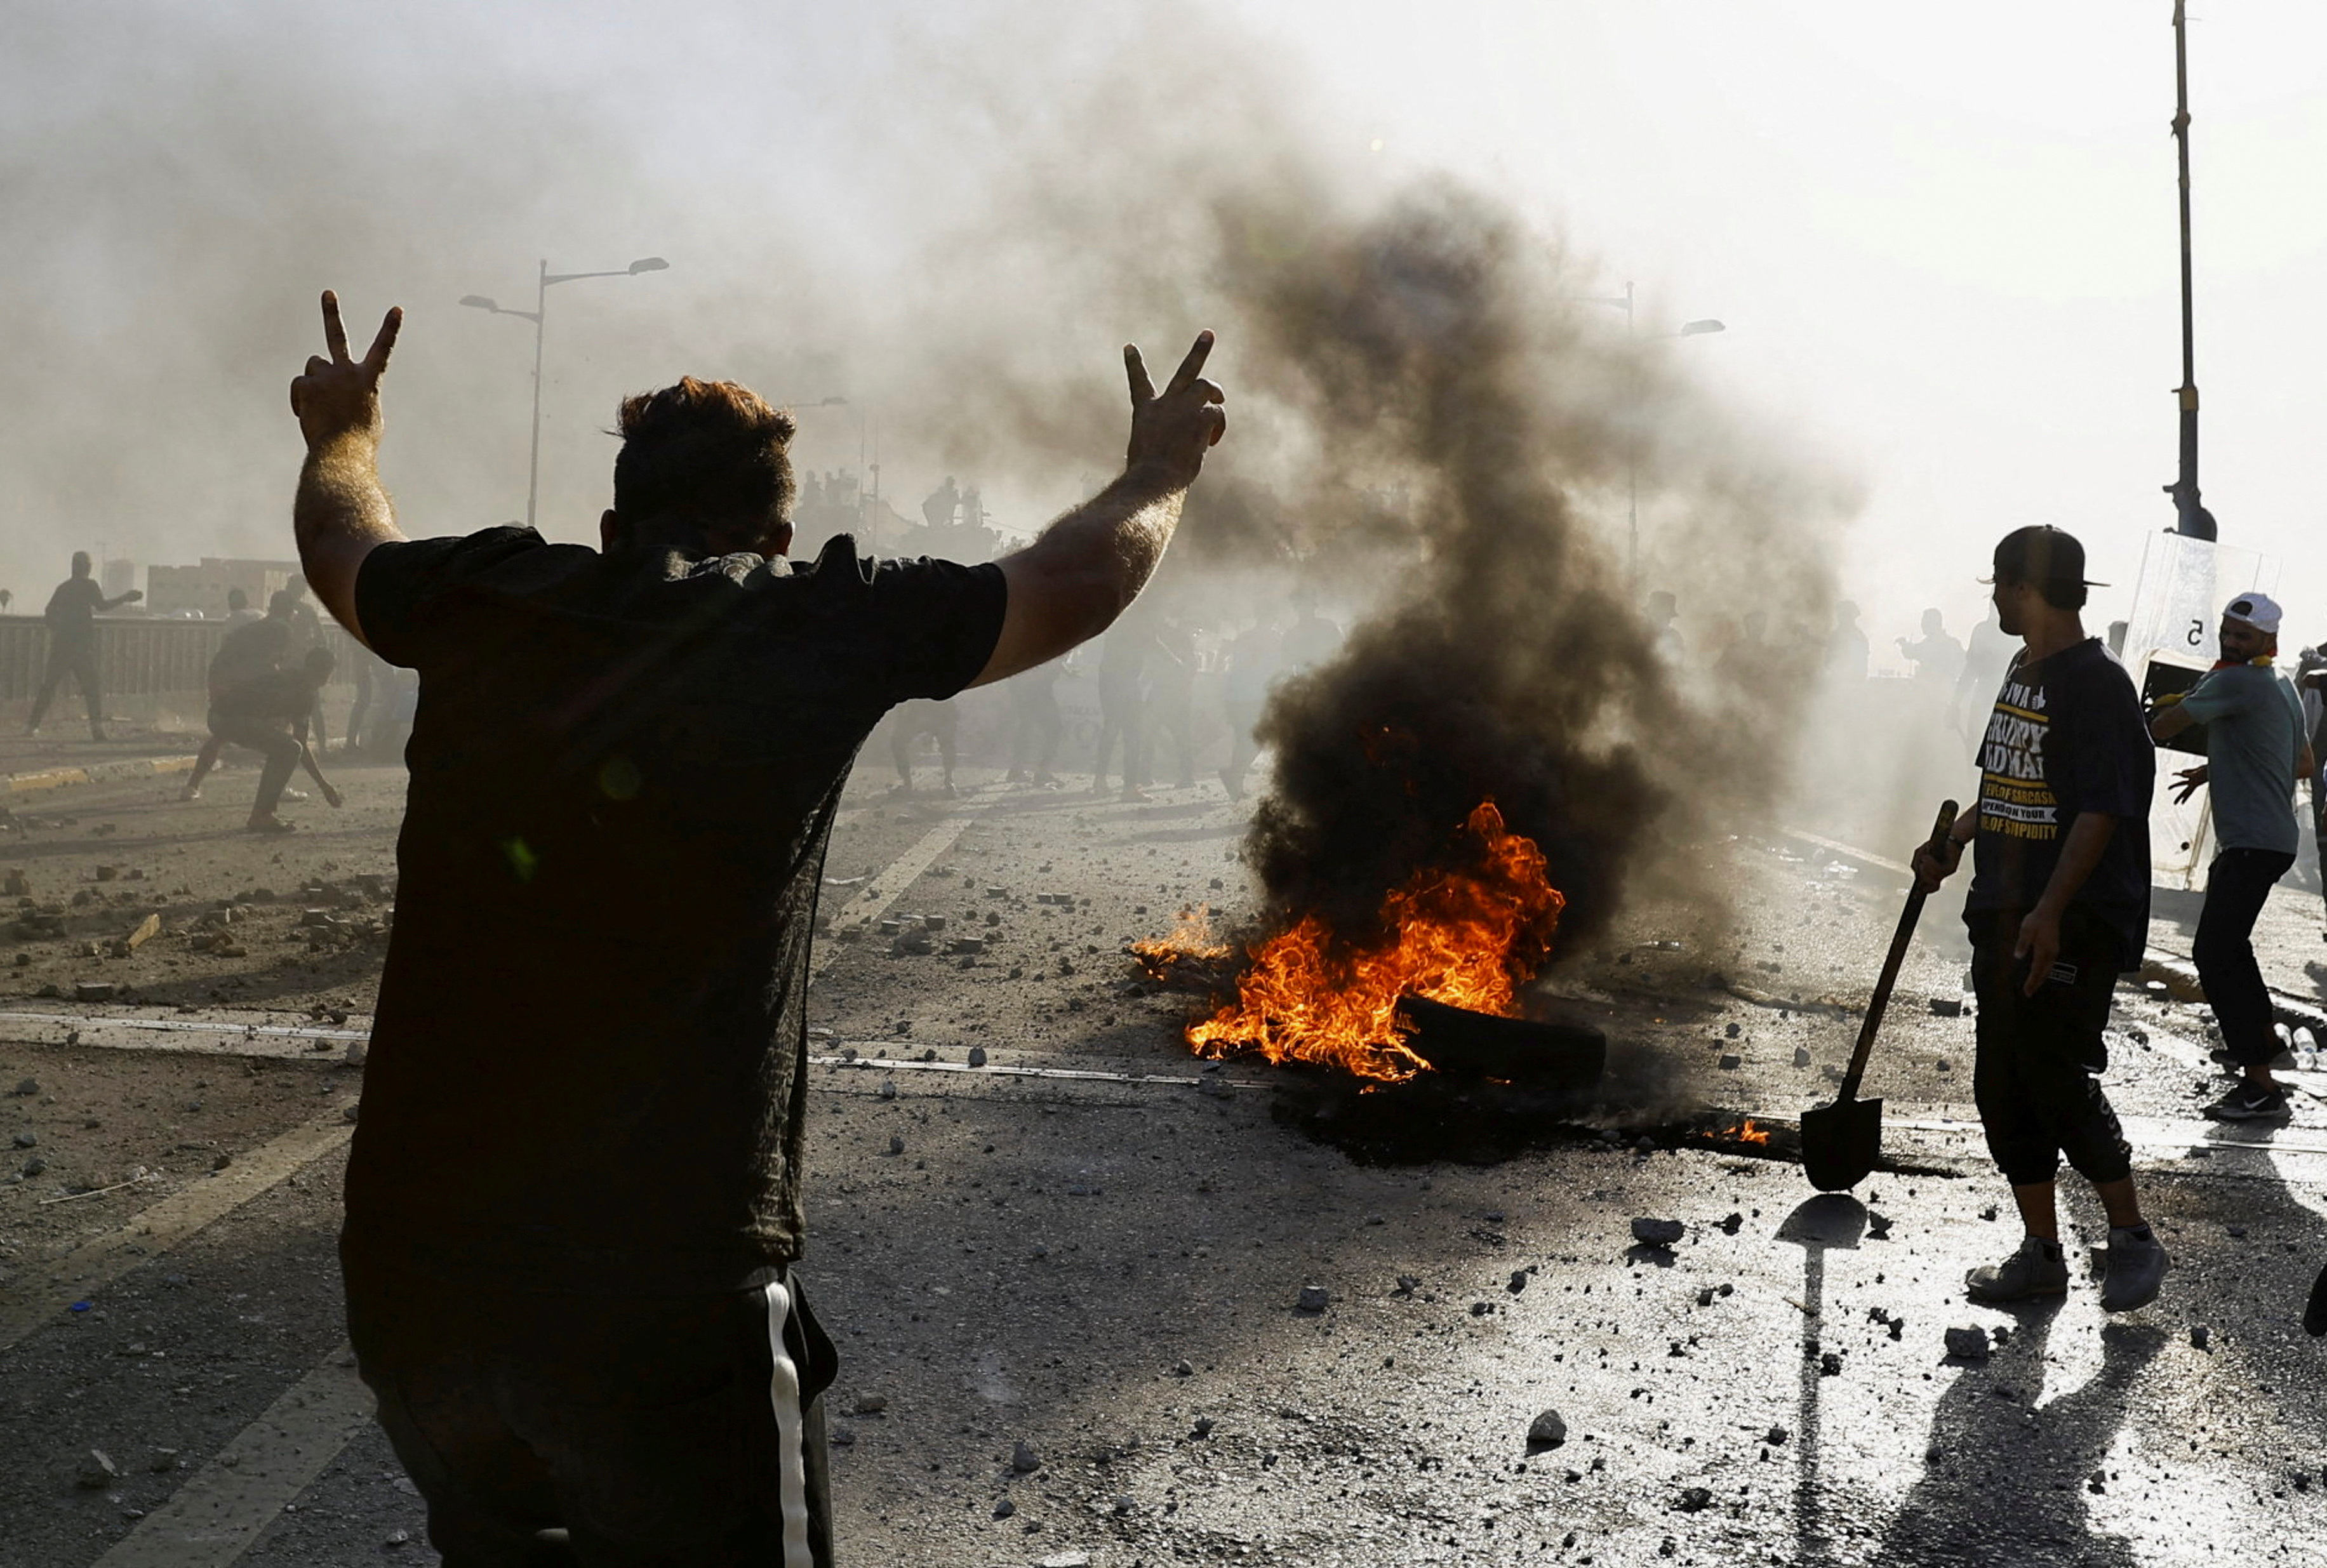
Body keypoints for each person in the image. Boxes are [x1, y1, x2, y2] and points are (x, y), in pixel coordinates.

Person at [286, 291, 1224, 1567]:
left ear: (611, 525)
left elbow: (341, 540)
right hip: (667, 1293)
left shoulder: (477, 593)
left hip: (415, 1278)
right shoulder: (813, 618)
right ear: (780, 534)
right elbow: (1076, 579)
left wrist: (342, 430)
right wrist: (1162, 467)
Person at [1912, 526, 2166, 1313]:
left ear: (2024, 589)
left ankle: (2130, 1241)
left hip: (2072, 917)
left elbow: (2098, 810)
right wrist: (1953, 841)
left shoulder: (2095, 685)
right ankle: (2041, 1253)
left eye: (1998, 583)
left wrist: (2052, 911)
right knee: (2001, 1086)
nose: (1991, 597)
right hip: (2003, 907)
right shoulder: (2023, 670)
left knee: (2054, 1075)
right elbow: (2013, 783)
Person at [2149, 592, 2312, 1120]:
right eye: (2226, 631)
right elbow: (2302, 762)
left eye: (2242, 636)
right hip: (2268, 839)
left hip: (2249, 841)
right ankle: (2261, 1045)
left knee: (2214, 954)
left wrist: (2156, 708)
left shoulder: (2235, 680)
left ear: (2268, 640)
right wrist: (2220, 767)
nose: (2229, 641)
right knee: (2229, 950)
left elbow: (2160, 727)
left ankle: (2261, 1085)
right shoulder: (2281, 685)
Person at [190, 646, 346, 832]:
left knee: (287, 748)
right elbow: (300, 744)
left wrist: (324, 786)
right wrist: (324, 786)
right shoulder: (303, 692)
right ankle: (262, 815)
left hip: (220, 716)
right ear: (325, 673)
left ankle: (260, 812)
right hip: (229, 718)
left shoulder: (292, 680)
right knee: (289, 749)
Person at [25, 552, 141, 740]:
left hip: (61, 645)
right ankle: (97, 729)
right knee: (92, 688)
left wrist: (58, 629)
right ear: (87, 567)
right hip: (81, 646)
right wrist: (125, 598)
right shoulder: (89, 586)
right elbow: (102, 606)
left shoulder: (63, 588)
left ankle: (32, 726)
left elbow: (49, 614)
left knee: (49, 686)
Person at [1004, 658, 1063, 787]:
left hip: (1023, 681)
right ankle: (1042, 771)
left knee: (1027, 725)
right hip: (1036, 685)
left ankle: (1017, 768)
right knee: (1054, 729)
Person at [1896, 607, 1965, 689]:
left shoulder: (1946, 645)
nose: (1922, 626)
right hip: (1942, 692)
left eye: (1924, 622)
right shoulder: (1953, 644)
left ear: (1934, 623)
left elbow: (1913, 652)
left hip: (1937, 693)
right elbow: (1912, 652)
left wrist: (1945, 676)